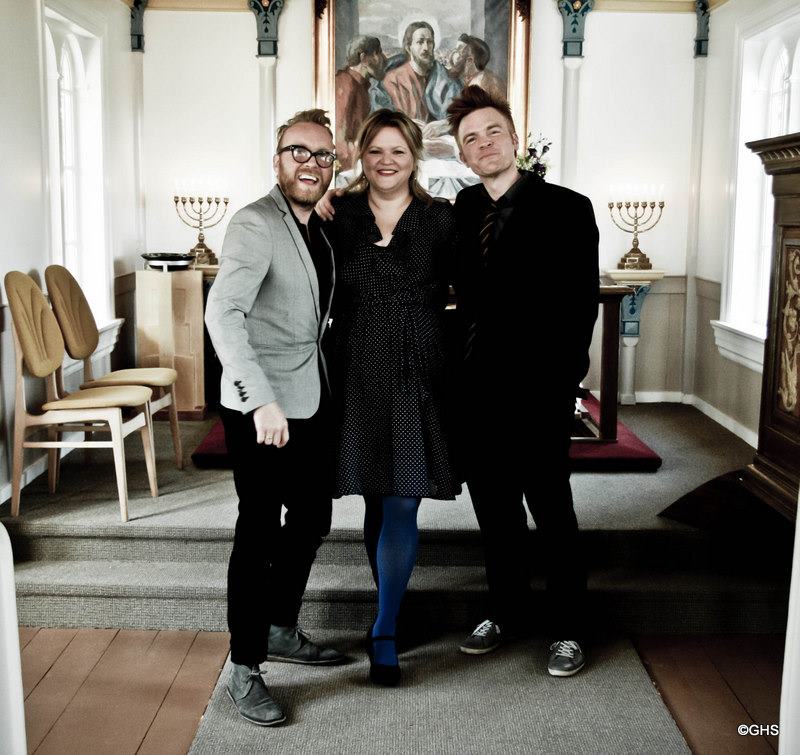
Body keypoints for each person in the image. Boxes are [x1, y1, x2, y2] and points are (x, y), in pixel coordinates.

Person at [446, 86, 599, 677]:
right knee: (495, 512)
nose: (484, 144)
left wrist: (562, 386)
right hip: (475, 391)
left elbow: (580, 306)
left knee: (552, 511)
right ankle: (506, 611)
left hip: (538, 391)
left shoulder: (567, 208)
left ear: (515, 138)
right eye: (471, 139)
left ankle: (569, 628)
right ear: (463, 155)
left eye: (493, 132)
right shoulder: (461, 210)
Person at [205, 109, 344, 727]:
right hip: (260, 407)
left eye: (323, 155)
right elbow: (222, 314)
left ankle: (281, 627)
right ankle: (245, 665)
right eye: (299, 152)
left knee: (312, 517)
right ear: (277, 159)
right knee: (259, 531)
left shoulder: (315, 225)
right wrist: (259, 398)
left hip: (310, 399)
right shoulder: (254, 223)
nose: (311, 164)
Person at [321, 108, 460, 686]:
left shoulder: (441, 218)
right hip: (354, 367)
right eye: (375, 150)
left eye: (397, 150)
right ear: (360, 154)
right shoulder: (338, 214)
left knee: (403, 498)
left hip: (418, 368)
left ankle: (383, 630)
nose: (386, 161)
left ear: (414, 157)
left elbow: (469, 292)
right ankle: (393, 607)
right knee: (377, 499)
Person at [382, 21, 462, 131]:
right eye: (420, 42)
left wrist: (445, 124)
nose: (426, 47)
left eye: (429, 42)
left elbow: (459, 113)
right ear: (408, 47)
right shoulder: (393, 80)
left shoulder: (446, 78)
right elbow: (386, 119)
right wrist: (404, 123)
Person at [335, 35, 388, 170]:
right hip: (347, 167)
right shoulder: (344, 83)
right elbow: (339, 138)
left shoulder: (362, 86)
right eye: (378, 53)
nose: (384, 58)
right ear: (364, 58)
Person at [448, 33, 506, 101]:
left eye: (459, 50)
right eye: (455, 50)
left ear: (470, 60)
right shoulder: (466, 78)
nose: (453, 54)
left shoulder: (486, 83)